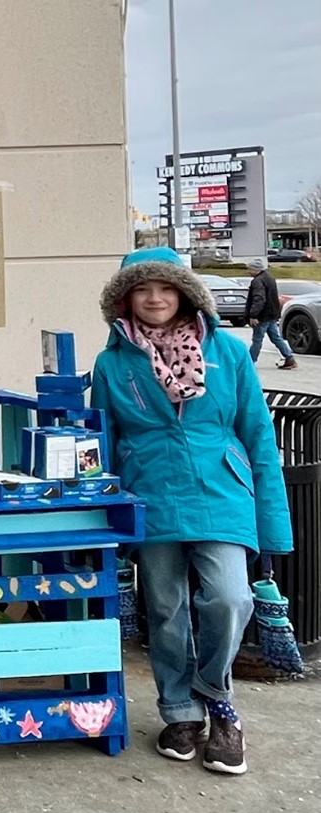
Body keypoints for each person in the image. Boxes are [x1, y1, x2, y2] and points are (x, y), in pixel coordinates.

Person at [91, 246, 292, 775]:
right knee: (164, 610)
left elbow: (260, 438)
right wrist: (107, 516)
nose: (155, 298)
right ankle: (179, 711)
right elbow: (101, 442)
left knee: (229, 598)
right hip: (149, 492)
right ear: (126, 297)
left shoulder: (227, 351)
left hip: (221, 490)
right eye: (142, 288)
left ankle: (217, 698)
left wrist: (273, 524)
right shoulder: (111, 362)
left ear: (185, 292)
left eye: (165, 287)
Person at [244, 257, 298, 370]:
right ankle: (289, 358)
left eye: (249, 269)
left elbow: (259, 299)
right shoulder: (269, 278)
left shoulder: (257, 281)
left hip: (262, 316)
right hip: (272, 314)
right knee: (276, 338)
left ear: (256, 269)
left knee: (257, 340)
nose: (248, 271)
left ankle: (249, 361)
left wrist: (253, 315)